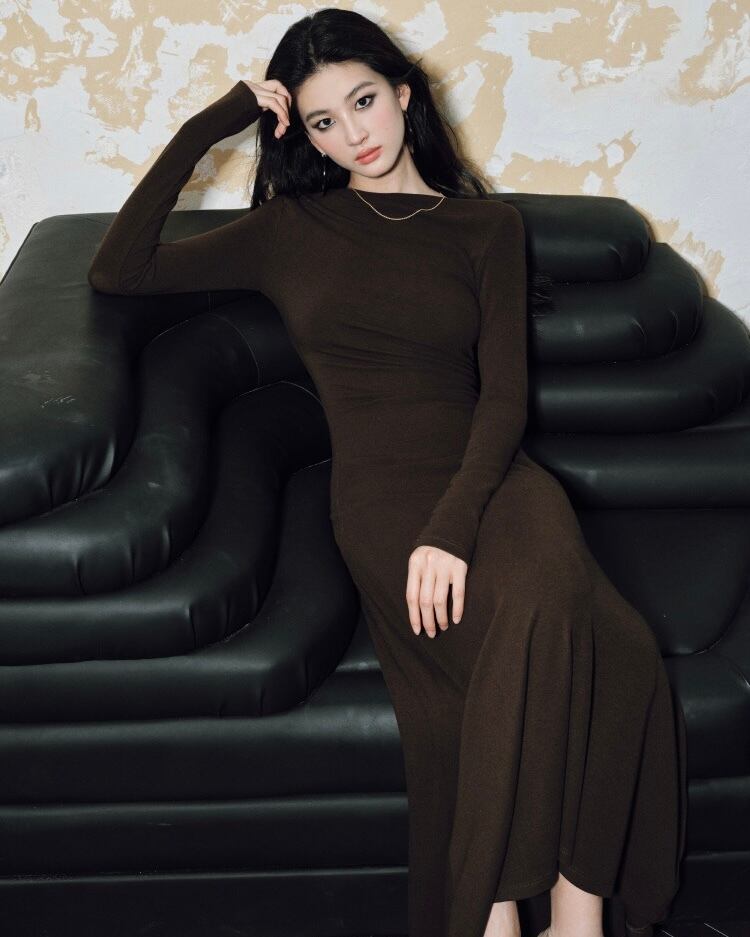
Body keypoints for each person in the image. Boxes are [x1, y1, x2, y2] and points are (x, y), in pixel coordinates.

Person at [87, 8, 687, 937]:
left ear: (405, 95)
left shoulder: (484, 228)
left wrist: (453, 529)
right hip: (381, 498)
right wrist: (220, 119)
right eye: (324, 121)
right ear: (305, 134)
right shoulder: (291, 230)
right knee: (565, 632)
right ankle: (496, 914)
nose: (354, 135)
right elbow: (119, 270)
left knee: (611, 637)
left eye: (364, 101)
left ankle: (577, 918)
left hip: (495, 478)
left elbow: (502, 400)